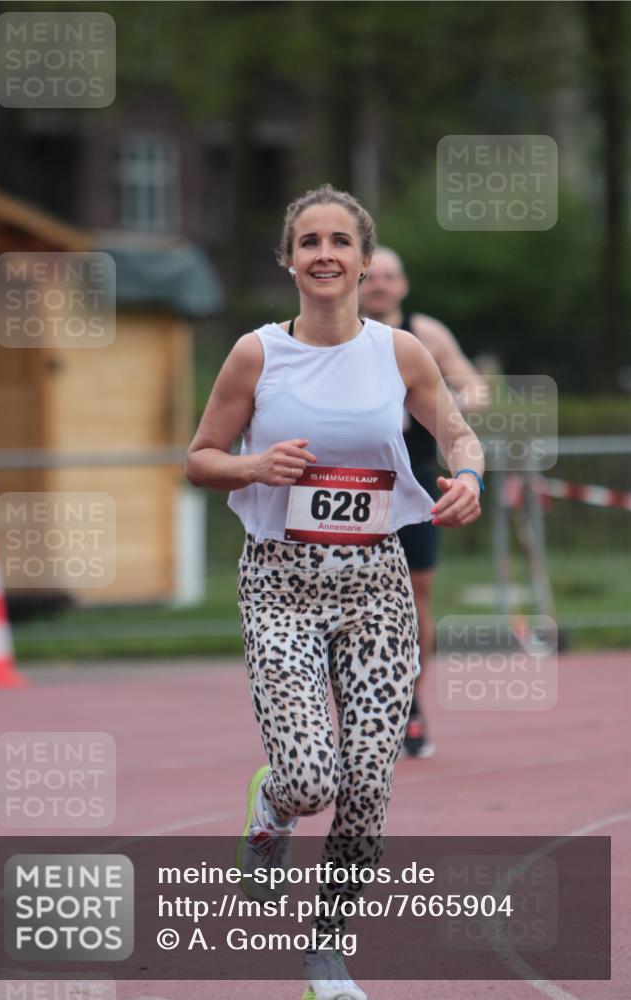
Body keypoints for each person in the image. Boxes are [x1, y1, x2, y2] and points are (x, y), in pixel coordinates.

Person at [186, 184, 484, 1000]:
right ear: (288, 258)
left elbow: (454, 430)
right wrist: (253, 465)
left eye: (339, 242)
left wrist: (464, 475)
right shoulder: (255, 353)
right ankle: (274, 809)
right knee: (313, 778)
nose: (324, 254)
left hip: (375, 584)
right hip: (280, 580)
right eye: (308, 241)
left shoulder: (400, 353)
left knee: (366, 783)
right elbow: (199, 456)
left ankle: (326, 950)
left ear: (362, 260)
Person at [359, 248, 488, 758]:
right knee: (340, 593)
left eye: (391, 277)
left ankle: (411, 703)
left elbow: (473, 383)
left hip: (412, 484)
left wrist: (459, 403)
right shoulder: (338, 333)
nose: (381, 286)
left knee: (417, 594)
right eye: (374, 277)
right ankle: (350, 708)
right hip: (351, 484)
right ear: (358, 281)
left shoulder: (422, 335)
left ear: (403, 286)